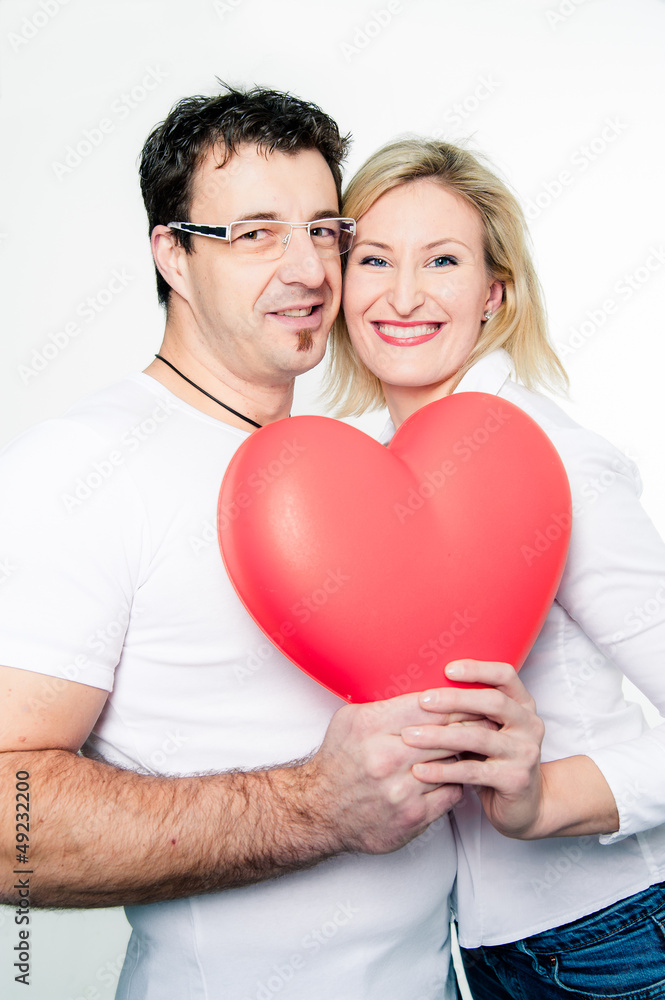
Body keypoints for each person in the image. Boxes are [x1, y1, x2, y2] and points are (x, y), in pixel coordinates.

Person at [0, 87, 545, 1000]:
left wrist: (506, 748)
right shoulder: (81, 469)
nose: (307, 271)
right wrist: (314, 806)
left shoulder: (359, 471)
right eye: (254, 234)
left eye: (323, 231)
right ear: (172, 254)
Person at [325, 135, 665, 999]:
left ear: (494, 293)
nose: (403, 294)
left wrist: (544, 797)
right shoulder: (362, 478)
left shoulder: (553, 459)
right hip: (482, 954)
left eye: (442, 260)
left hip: (615, 936)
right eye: (374, 259)